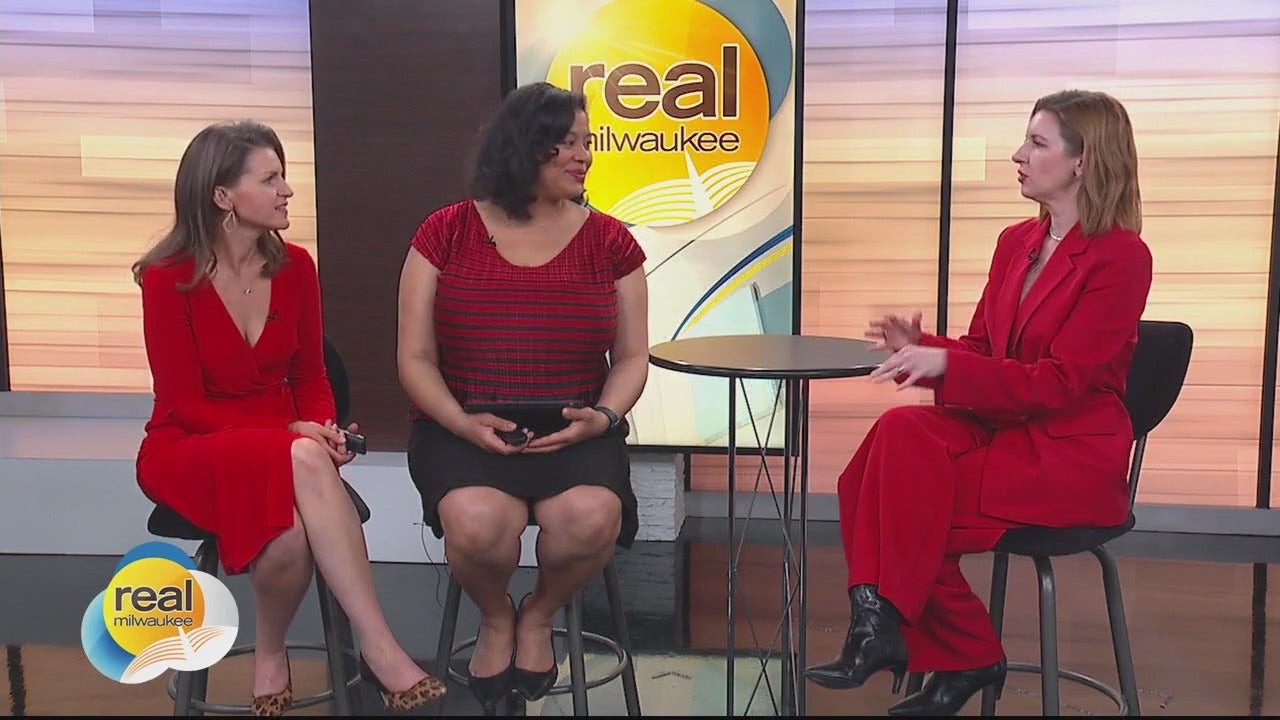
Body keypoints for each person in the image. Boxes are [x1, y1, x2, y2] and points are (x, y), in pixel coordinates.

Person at [803, 89, 1151, 716]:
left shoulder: (1122, 257)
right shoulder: (1016, 242)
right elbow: (987, 351)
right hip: (1002, 428)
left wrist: (944, 366)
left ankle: (949, 648)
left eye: (1037, 143)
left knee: (901, 506)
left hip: (1065, 456)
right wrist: (926, 348)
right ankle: (888, 629)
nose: (1018, 155)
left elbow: (1060, 382)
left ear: (1084, 161)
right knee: (893, 444)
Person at [133, 120, 445, 716]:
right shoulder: (167, 278)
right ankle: (379, 648)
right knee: (299, 455)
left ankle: (270, 652)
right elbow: (185, 406)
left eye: (284, 176)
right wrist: (294, 435)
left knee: (292, 529)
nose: (287, 190)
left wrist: (322, 427)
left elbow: (310, 379)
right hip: (192, 445)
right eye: (270, 178)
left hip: (287, 443)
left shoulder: (297, 266)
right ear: (222, 196)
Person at [396, 82, 649, 711]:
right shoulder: (445, 232)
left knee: (590, 518)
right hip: (463, 426)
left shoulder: (611, 242)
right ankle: (495, 616)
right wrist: (460, 422)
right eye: (566, 143)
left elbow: (631, 358)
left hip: (575, 427)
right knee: (479, 523)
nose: (583, 156)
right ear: (522, 147)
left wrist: (605, 417)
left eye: (587, 143)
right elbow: (415, 358)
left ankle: (538, 613)